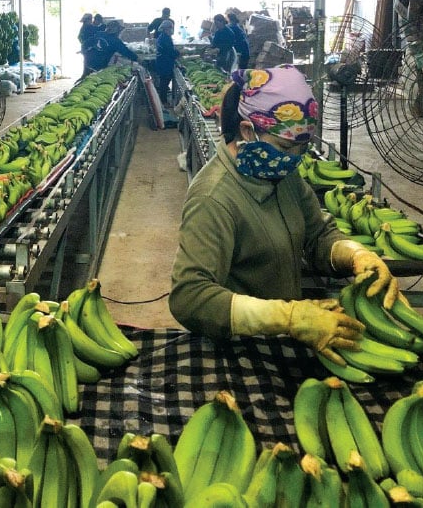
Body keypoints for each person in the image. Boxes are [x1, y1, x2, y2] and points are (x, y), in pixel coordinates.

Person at [169, 65, 399, 366]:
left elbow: (317, 234)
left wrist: (355, 255)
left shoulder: (281, 176)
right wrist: (287, 317)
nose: (293, 158)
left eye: (301, 148)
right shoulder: (213, 197)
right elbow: (190, 297)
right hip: (238, 352)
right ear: (248, 130)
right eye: (285, 146)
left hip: (285, 344)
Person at [155, 20, 180, 106]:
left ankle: (163, 100)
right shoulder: (164, 38)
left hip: (164, 62)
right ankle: (163, 101)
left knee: (164, 81)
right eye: (170, 28)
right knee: (164, 82)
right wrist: (179, 53)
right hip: (164, 63)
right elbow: (170, 51)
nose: (171, 30)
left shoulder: (164, 37)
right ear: (166, 29)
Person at [79, 13, 99, 79]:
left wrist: (83, 45)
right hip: (90, 50)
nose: (91, 21)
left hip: (86, 49)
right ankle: (86, 77)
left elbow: (79, 37)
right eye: (91, 20)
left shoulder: (83, 27)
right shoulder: (90, 27)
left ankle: (85, 76)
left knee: (86, 64)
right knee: (89, 66)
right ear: (88, 20)